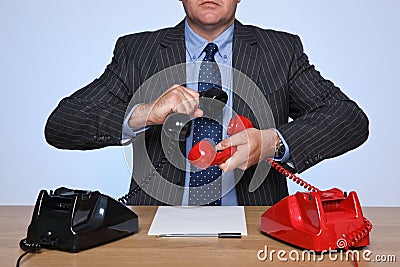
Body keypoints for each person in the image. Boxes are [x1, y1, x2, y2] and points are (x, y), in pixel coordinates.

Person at [45, 0, 369, 206]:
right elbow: (61, 124)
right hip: (154, 227)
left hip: (254, 227)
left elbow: (349, 118)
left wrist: (271, 142)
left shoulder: (280, 51)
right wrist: (144, 113)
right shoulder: (138, 52)